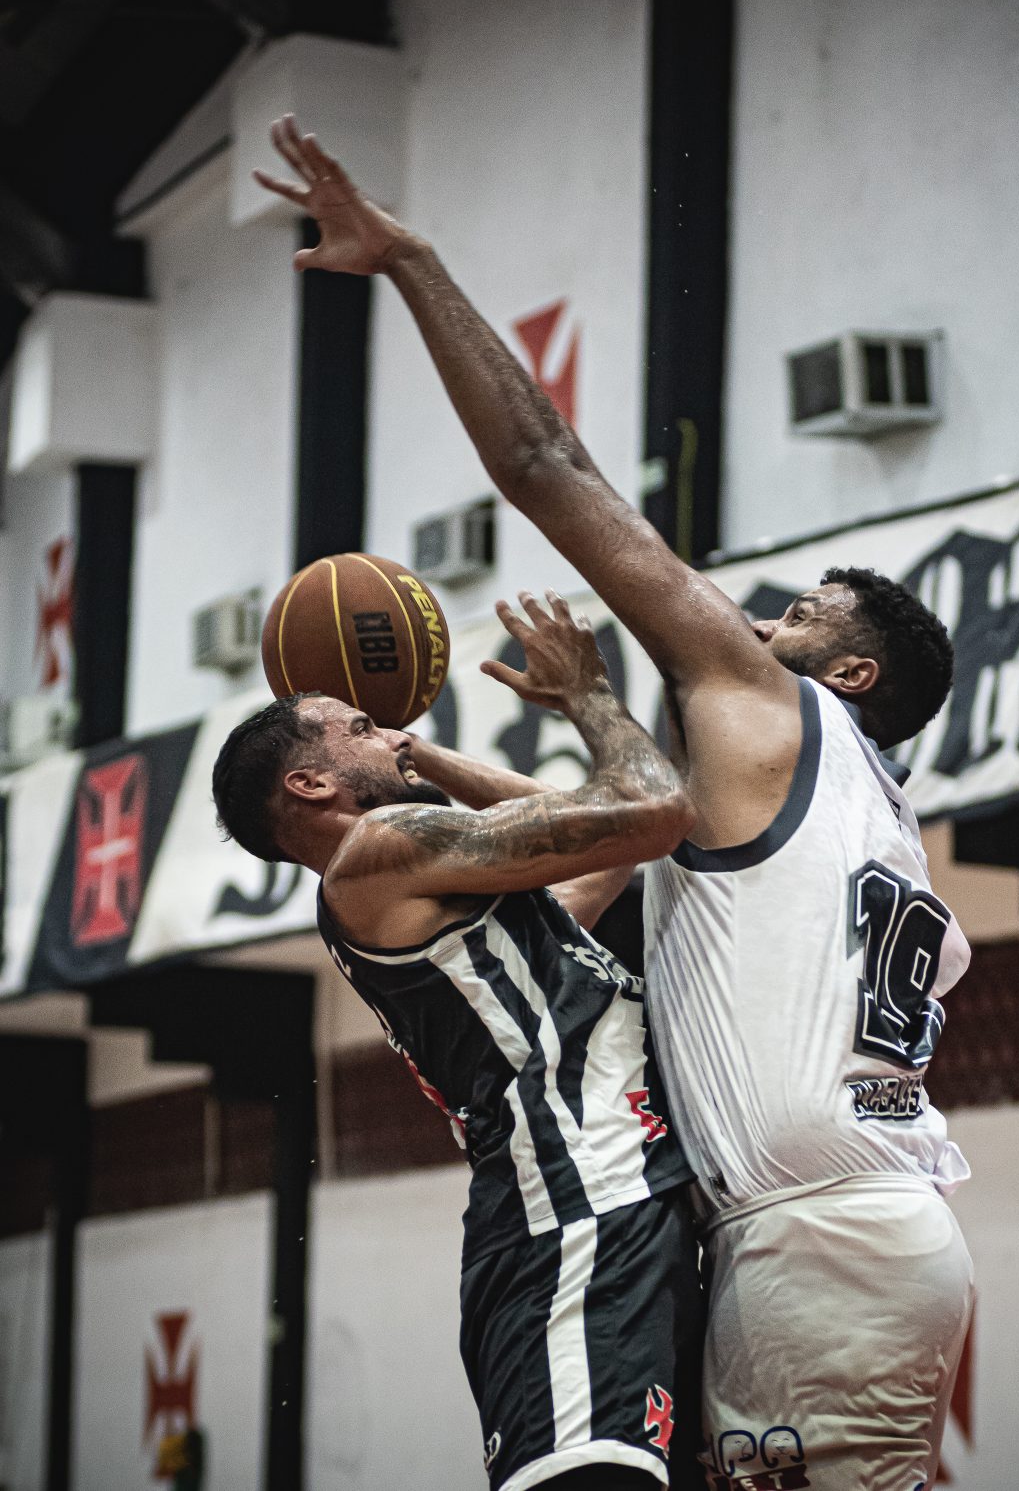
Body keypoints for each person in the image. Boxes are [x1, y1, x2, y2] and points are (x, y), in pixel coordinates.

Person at [254, 117, 974, 1490]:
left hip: (819, 1239)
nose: (753, 622)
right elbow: (621, 837)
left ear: (850, 674)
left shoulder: (766, 710)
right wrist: (425, 759)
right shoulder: (870, 812)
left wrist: (409, 263)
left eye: (797, 617)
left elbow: (549, 469)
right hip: (863, 1228)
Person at [212, 591, 704, 1491]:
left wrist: (420, 755)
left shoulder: (469, 915)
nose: (395, 735)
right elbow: (653, 812)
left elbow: (615, 849)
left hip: (618, 1209)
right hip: (573, 1223)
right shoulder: (378, 849)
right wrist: (589, 696)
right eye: (363, 728)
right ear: (310, 784)